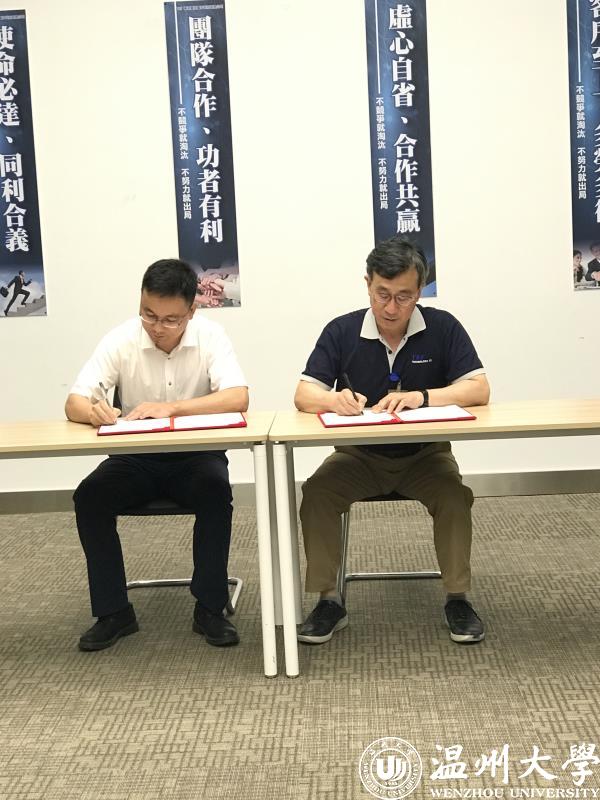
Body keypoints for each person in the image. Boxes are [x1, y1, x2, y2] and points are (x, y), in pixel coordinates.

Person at [294, 236, 490, 646]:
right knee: (317, 493)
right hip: (358, 457)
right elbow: (304, 394)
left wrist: (423, 397)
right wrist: (332, 400)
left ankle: (457, 598)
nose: (391, 307)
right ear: (367, 283)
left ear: (420, 291)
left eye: (404, 297)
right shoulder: (342, 330)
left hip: (426, 457)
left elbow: (478, 388)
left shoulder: (443, 327)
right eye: (382, 294)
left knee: (454, 496)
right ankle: (328, 600)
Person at [66, 258, 248, 651]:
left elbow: (238, 397)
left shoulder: (211, 336)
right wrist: (93, 411)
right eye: (149, 314)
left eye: (170, 320)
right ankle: (114, 612)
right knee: (90, 496)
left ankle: (210, 608)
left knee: (215, 491)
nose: (157, 327)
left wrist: (174, 408)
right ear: (141, 301)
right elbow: (74, 401)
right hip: (135, 457)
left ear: (191, 311)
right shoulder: (121, 339)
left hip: (196, 455)